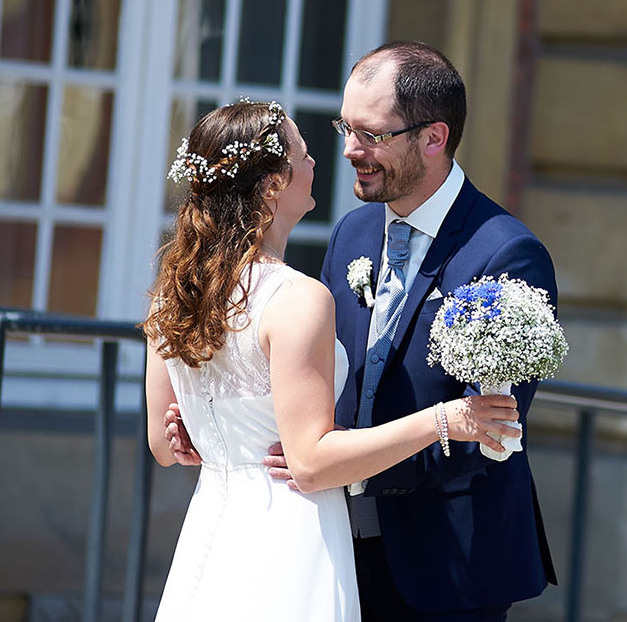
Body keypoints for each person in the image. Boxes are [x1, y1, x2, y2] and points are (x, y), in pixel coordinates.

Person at [144, 99, 521, 621]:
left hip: (216, 527)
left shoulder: (175, 293)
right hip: (289, 533)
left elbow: (165, 445)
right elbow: (311, 462)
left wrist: (212, 433)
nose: (320, 160)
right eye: (301, 153)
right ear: (274, 183)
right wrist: (446, 420)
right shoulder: (296, 297)